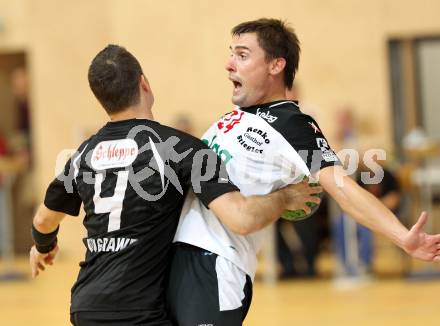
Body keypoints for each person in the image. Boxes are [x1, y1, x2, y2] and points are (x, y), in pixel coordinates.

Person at [167, 18, 440, 326]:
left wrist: (403, 237)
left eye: (242, 55)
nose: (229, 64)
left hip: (214, 264)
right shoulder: (238, 115)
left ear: (275, 65)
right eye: (232, 54)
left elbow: (343, 188)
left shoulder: (293, 123)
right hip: (178, 260)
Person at [28, 45, 321, 326]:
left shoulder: (82, 155)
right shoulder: (179, 149)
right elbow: (240, 218)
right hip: (139, 311)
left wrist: (44, 246)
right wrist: (285, 197)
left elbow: (43, 219)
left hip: (85, 305)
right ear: (144, 84)